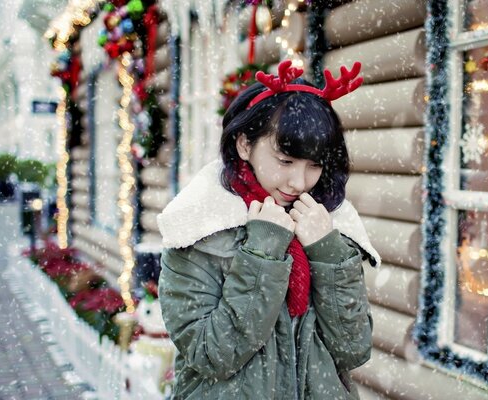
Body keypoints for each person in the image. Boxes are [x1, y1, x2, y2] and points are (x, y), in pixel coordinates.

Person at [157, 60, 381, 399]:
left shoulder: (327, 225)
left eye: (315, 165)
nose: (299, 182)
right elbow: (212, 355)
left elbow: (353, 349)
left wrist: (328, 253)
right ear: (244, 145)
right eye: (286, 161)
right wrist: (262, 253)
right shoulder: (200, 229)